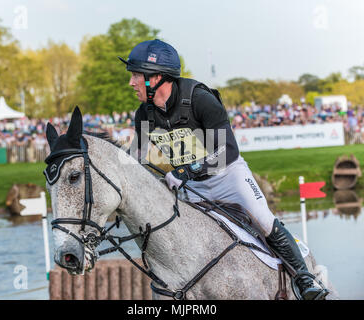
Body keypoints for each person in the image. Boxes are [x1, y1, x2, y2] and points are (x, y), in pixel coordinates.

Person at [119, 39, 328, 300]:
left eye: (136, 75)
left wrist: (185, 172)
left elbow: (228, 151)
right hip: (192, 188)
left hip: (227, 176)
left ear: (156, 77)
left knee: (262, 219)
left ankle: (305, 279)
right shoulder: (144, 114)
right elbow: (135, 159)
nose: (131, 83)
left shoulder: (200, 99)